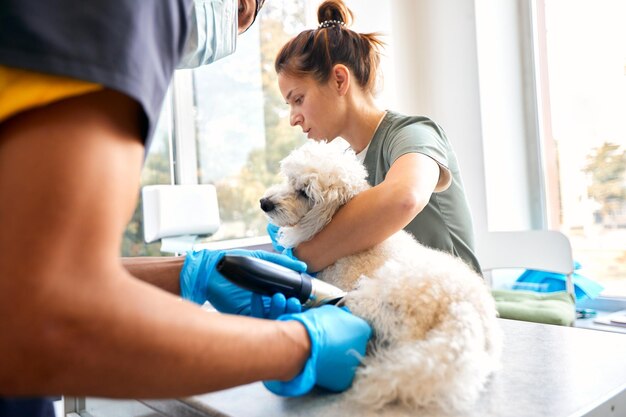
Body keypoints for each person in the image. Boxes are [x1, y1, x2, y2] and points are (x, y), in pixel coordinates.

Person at [0, 1, 371, 416]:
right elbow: (45, 315)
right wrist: (299, 347)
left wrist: (193, 272)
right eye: (244, 13)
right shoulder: (126, 11)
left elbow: (19, 266)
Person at [267, 0, 481, 275]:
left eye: (298, 99)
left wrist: (299, 259)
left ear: (339, 80)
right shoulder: (345, 166)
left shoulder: (413, 133)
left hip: (447, 301)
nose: (293, 118)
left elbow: (404, 198)